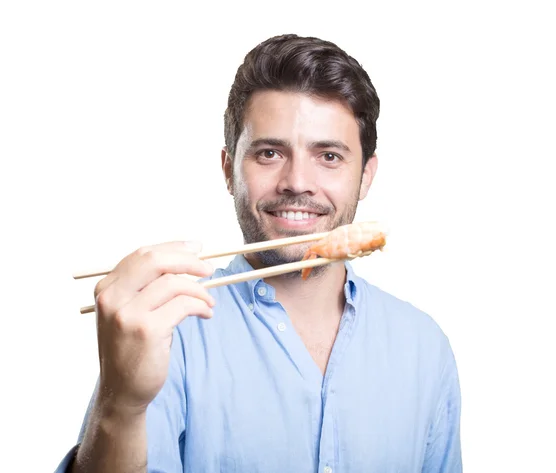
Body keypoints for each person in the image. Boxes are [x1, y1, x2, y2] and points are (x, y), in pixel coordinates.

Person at [55, 34, 462, 473]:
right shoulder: (166, 333)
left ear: (365, 176)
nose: (297, 182)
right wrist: (122, 405)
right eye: (269, 153)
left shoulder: (424, 348)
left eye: (328, 156)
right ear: (229, 170)